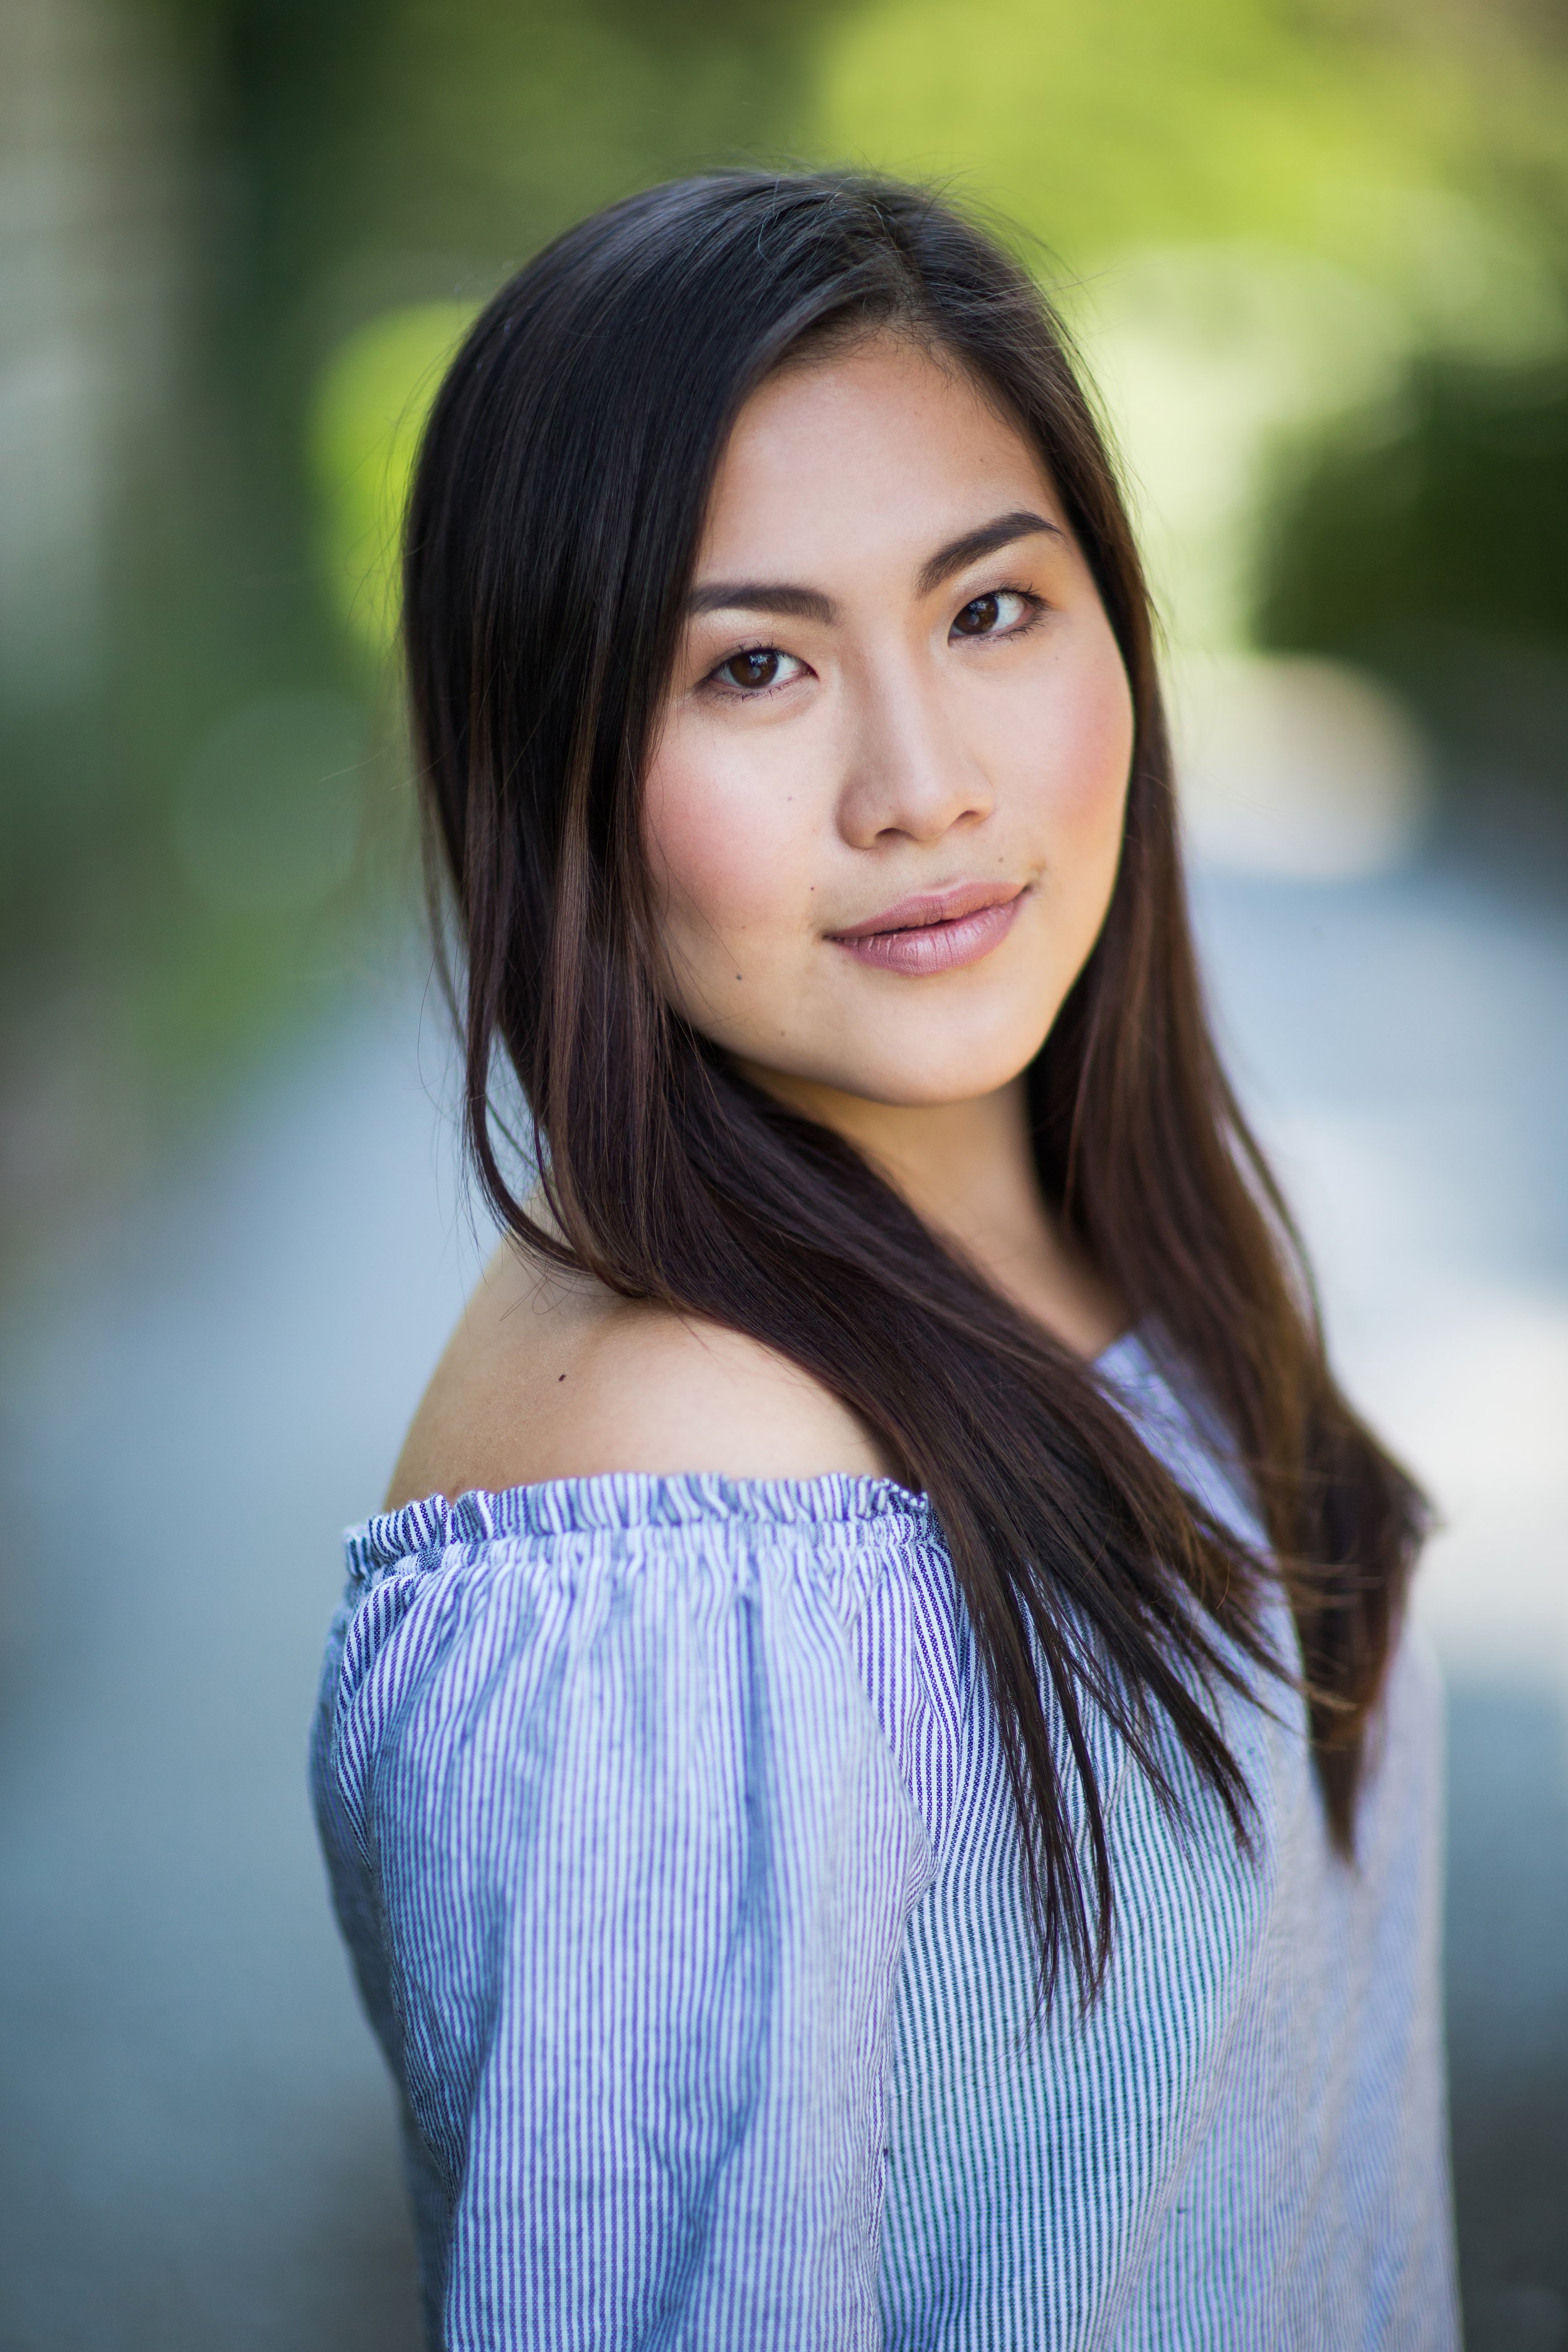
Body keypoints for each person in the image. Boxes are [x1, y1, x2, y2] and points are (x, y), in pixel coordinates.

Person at [311, 170, 1458, 2349]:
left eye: (991, 612)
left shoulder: (1146, 1245)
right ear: (546, 759)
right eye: (753, 666)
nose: (918, 786)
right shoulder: (680, 1499)